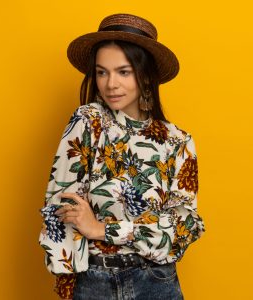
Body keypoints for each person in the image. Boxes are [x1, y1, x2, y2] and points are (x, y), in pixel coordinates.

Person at [38, 13, 205, 300]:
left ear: (146, 74)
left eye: (123, 72)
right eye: (102, 72)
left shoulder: (178, 141)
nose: (110, 84)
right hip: (94, 281)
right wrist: (68, 285)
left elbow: (182, 228)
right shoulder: (89, 122)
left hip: (157, 281)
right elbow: (61, 207)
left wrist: (103, 229)